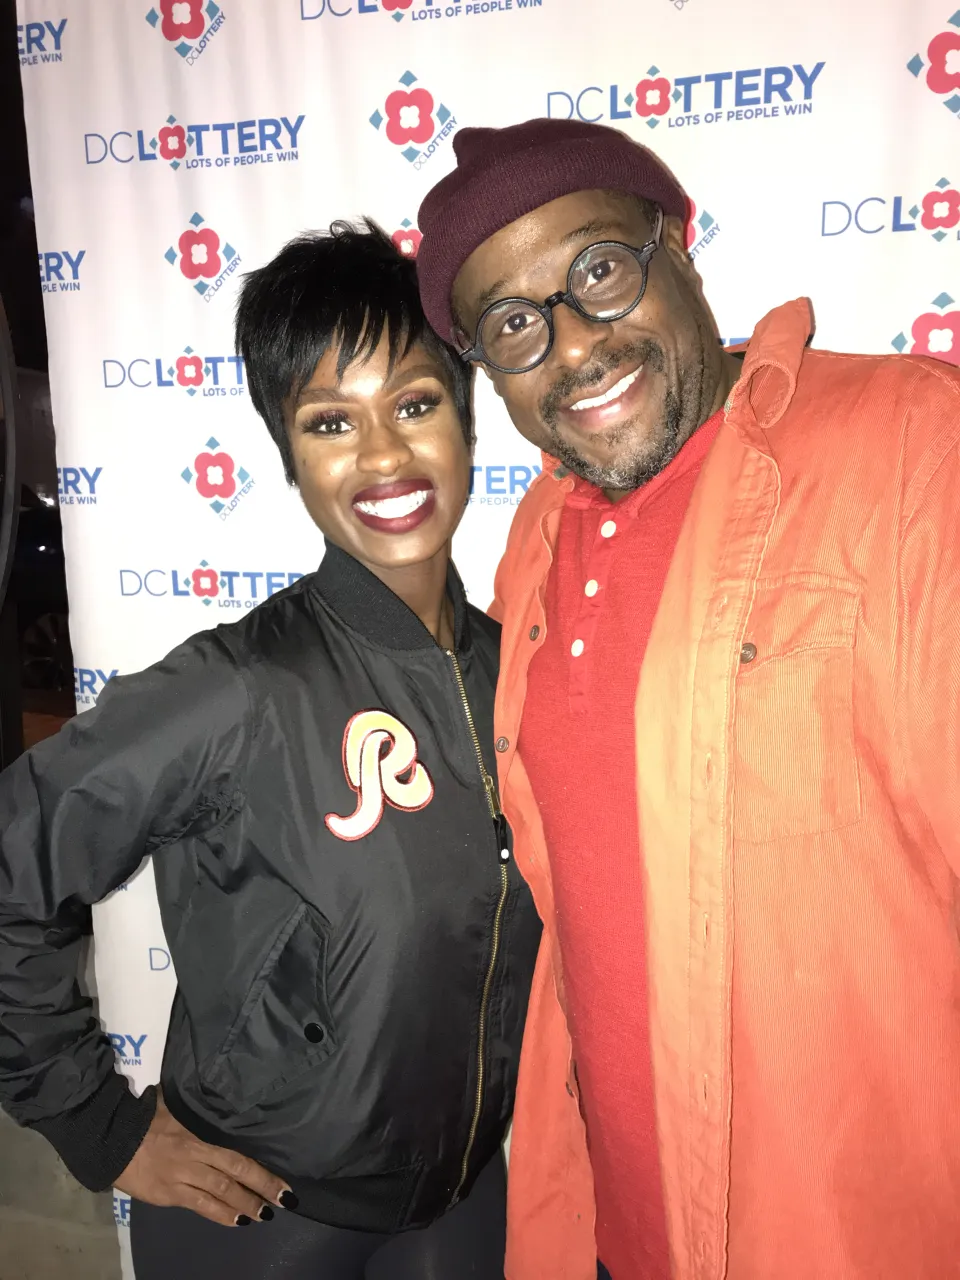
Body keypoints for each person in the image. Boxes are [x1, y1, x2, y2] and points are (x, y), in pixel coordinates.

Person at [414, 117, 960, 1280]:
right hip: (620, 1230)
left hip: (860, 1233)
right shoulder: (534, 537)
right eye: (514, 323)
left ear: (678, 244)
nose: (573, 344)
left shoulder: (914, 445)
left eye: (598, 271)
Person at [0, 221, 541, 1280]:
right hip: (263, 1220)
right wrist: (101, 1126)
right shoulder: (237, 687)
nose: (384, 455)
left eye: (416, 403)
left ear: (468, 423)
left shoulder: (515, 665)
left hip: (464, 1196)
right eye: (331, 420)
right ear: (292, 459)